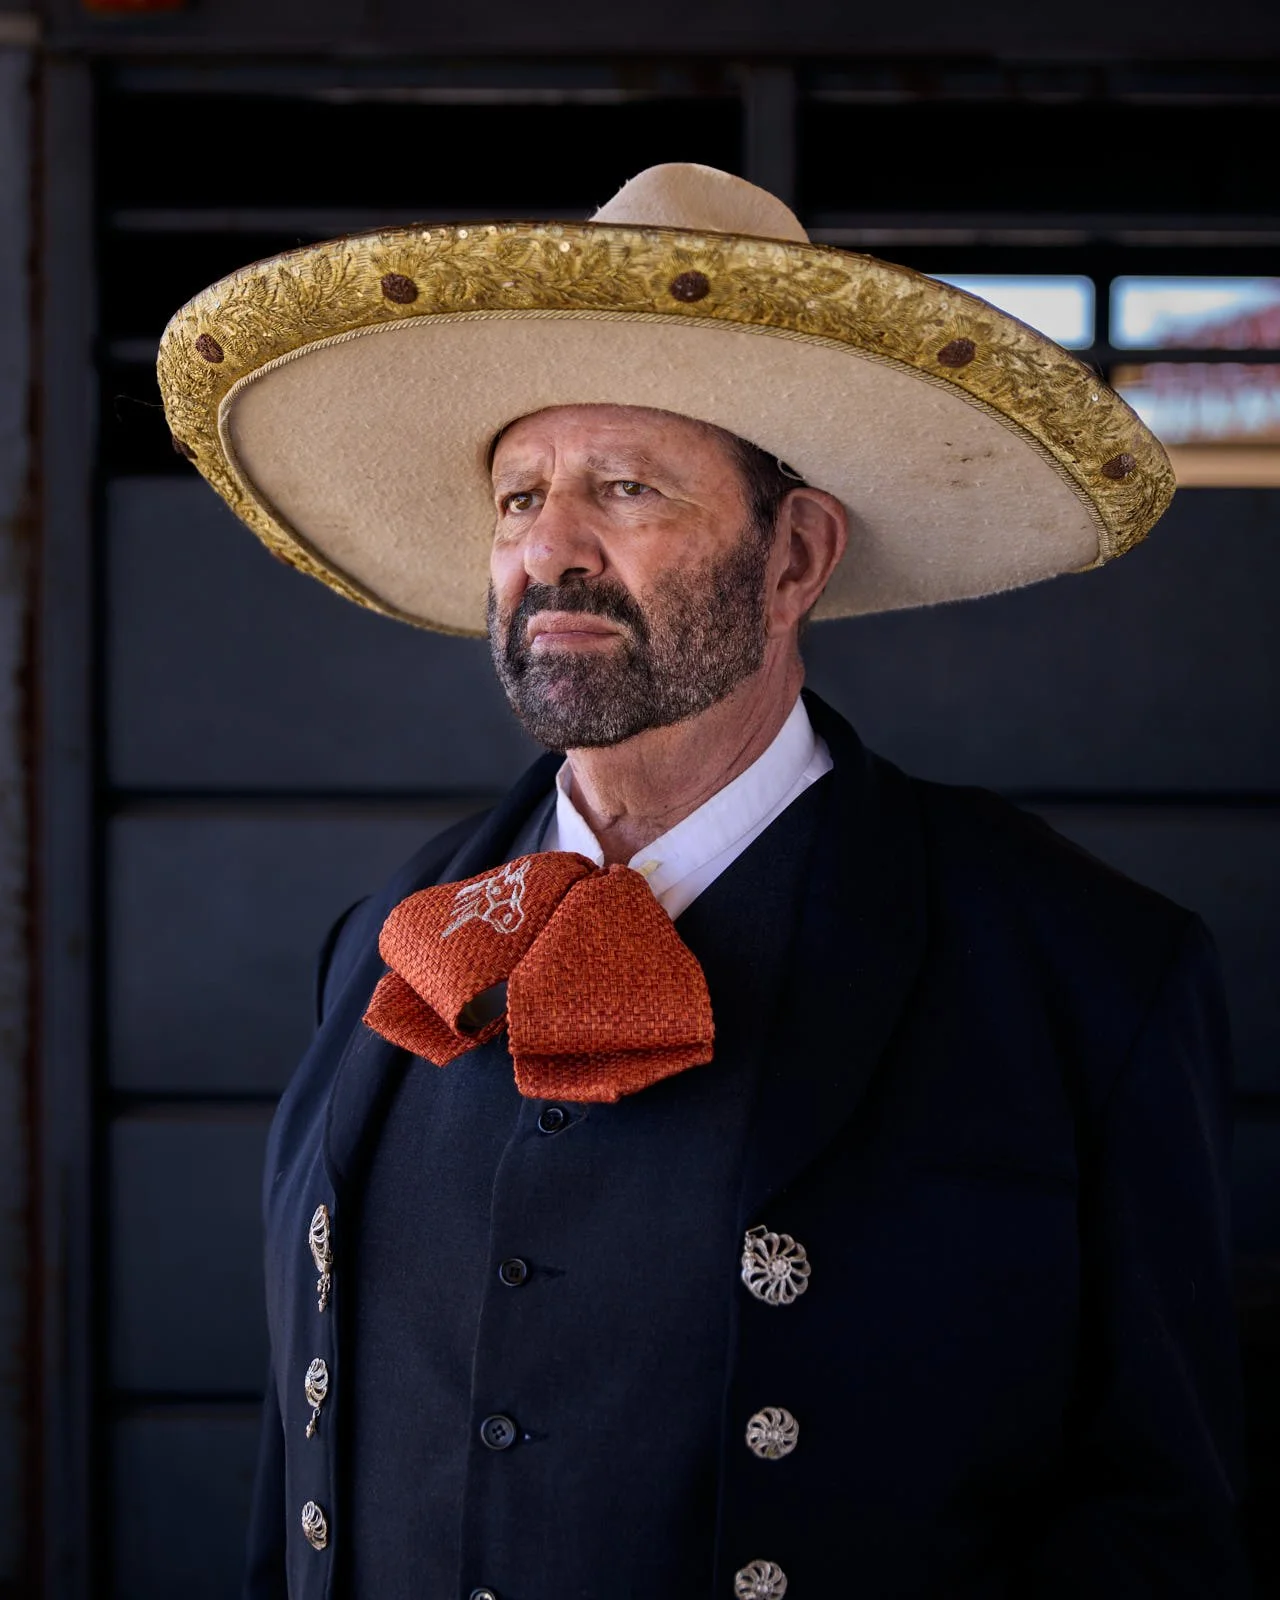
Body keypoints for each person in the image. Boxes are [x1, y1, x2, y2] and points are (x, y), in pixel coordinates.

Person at [159, 163, 1252, 1599]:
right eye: (519, 497)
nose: (550, 549)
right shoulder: (380, 944)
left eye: (626, 490)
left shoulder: (1085, 973)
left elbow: (1156, 1531)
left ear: (793, 555)